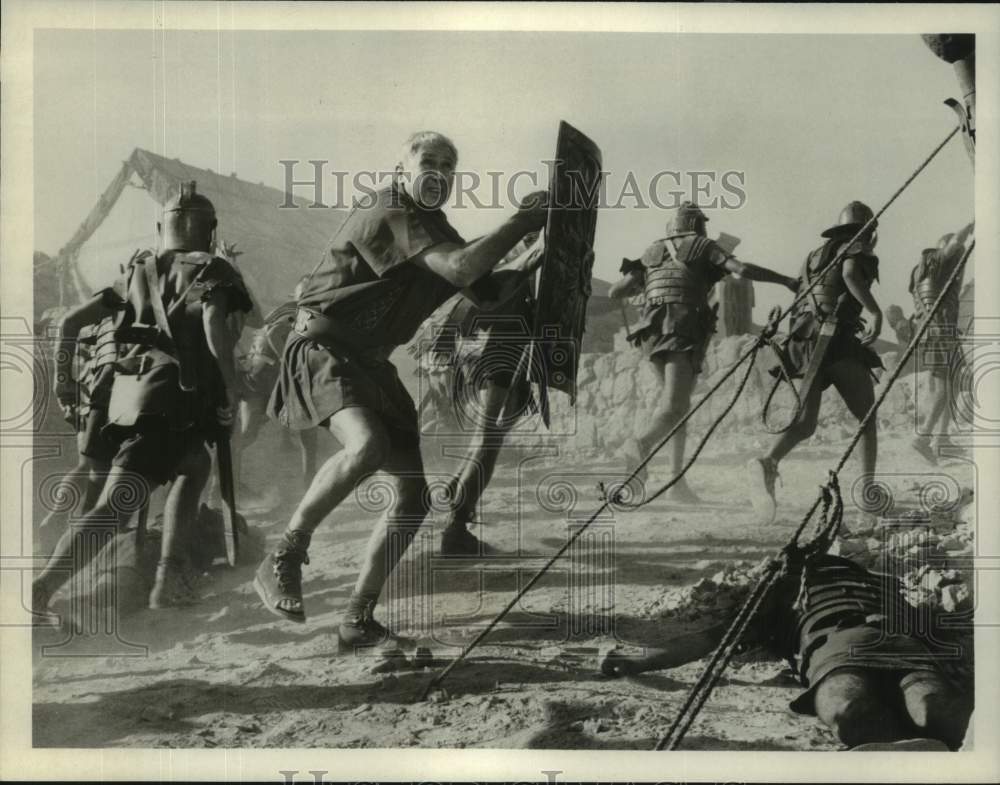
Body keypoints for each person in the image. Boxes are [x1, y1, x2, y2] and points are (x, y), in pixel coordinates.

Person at [256, 131, 548, 651]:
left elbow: (486, 290)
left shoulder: (436, 229)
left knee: (412, 499)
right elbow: (462, 268)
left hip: (370, 364)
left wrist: (544, 249)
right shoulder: (390, 207)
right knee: (365, 446)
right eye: (428, 161)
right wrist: (523, 222)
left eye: (448, 165)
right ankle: (284, 554)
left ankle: (356, 620)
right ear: (403, 168)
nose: (437, 171)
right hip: (324, 349)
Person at [32, 181, 252, 617]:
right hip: (170, 398)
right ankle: (40, 591)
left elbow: (72, 322)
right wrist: (230, 386)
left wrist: (64, 382)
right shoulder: (215, 268)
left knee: (195, 466)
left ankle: (169, 575)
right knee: (119, 503)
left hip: (123, 398)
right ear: (210, 230)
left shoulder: (138, 270)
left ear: (161, 227)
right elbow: (212, 324)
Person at [601, 551, 973, 750]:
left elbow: (710, 638)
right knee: (856, 713)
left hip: (882, 645)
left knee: (933, 707)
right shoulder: (778, 602)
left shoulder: (880, 587)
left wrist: (637, 657)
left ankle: (920, 749)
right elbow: (712, 639)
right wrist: (638, 657)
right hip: (838, 649)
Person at [608, 201, 798, 503]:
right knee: (673, 407)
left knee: (678, 409)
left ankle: (676, 483)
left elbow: (615, 291)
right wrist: (786, 281)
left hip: (651, 333)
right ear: (698, 225)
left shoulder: (653, 251)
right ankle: (641, 445)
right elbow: (742, 270)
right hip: (682, 329)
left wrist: (649, 289)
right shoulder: (703, 245)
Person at [415, 230, 556, 556]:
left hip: (470, 345)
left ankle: (459, 484)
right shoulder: (537, 251)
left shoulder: (495, 245)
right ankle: (457, 527)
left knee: (491, 430)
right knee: (487, 438)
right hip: (496, 345)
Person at [747, 201, 884, 524]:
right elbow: (850, 274)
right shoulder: (858, 248)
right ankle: (868, 499)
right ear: (868, 230)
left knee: (805, 423)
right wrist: (874, 312)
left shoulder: (813, 257)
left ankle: (767, 462)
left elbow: (811, 297)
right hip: (834, 342)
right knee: (867, 421)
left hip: (803, 341)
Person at [37, 311, 122, 555]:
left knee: (86, 464)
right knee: (99, 468)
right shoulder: (99, 318)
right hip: (101, 382)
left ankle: (56, 517)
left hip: (84, 379)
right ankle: (83, 540)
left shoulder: (76, 324)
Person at [236, 277, 319, 491]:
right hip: (267, 375)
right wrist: (288, 360)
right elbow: (274, 334)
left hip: (258, 372)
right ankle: (309, 483)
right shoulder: (301, 312)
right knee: (308, 428)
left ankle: (226, 483)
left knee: (248, 433)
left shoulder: (291, 309)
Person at [908, 225, 974, 463]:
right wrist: (973, 224)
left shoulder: (927, 272)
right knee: (943, 389)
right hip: (938, 334)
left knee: (951, 384)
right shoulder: (937, 262)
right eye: (959, 258)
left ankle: (942, 439)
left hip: (940, 334)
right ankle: (923, 438)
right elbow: (956, 243)